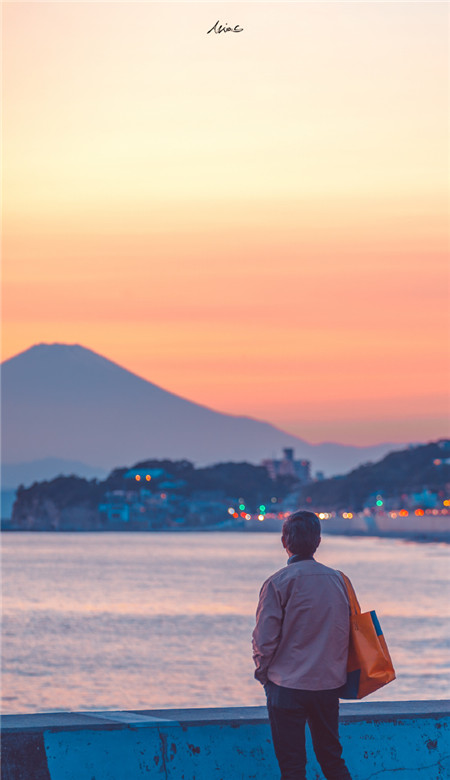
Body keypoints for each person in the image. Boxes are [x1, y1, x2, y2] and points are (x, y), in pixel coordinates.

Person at [252, 509, 353, 780]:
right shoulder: (339, 580)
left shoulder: (277, 582)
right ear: (318, 542)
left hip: (287, 686)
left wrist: (264, 674)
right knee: (332, 759)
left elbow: (264, 640)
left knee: (292, 767)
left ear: (284, 541)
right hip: (328, 685)